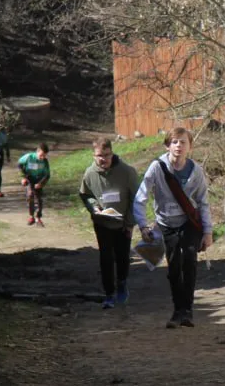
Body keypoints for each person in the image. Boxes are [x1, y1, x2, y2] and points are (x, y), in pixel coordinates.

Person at [133, 126, 213, 328]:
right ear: (167, 146)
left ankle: (188, 311)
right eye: (174, 142)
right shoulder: (157, 168)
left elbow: (203, 202)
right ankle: (178, 310)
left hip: (189, 222)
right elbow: (140, 198)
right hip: (166, 223)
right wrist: (142, 225)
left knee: (190, 259)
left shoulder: (196, 171)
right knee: (174, 265)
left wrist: (208, 231)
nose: (179, 146)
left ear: (190, 146)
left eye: (183, 142)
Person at [80, 138, 140, 310]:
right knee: (106, 257)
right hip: (102, 222)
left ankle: (122, 283)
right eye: (99, 156)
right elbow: (85, 194)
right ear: (94, 155)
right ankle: (109, 293)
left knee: (122, 256)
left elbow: (136, 198)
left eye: (107, 155)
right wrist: (94, 207)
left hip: (123, 222)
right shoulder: (89, 174)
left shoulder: (127, 172)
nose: (103, 159)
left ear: (112, 153)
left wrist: (130, 223)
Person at [18, 143, 51, 226]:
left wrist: (41, 183)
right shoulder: (29, 157)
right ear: (37, 151)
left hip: (39, 180)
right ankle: (31, 216)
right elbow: (19, 165)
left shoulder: (45, 161)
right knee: (30, 195)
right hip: (29, 179)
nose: (42, 157)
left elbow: (47, 175)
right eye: (41, 155)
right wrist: (23, 177)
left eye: (44, 155)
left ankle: (38, 218)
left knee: (39, 198)